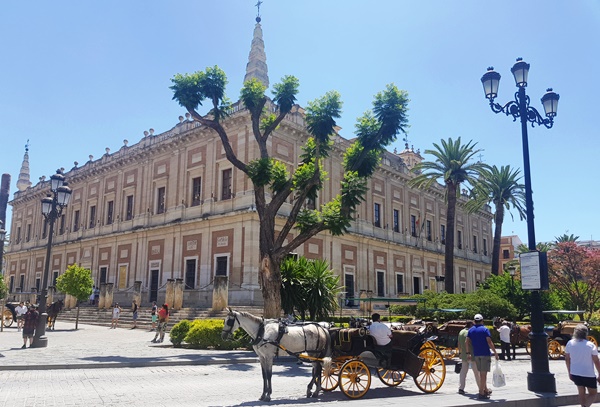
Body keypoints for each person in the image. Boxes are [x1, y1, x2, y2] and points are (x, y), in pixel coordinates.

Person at [565, 324, 600, 407]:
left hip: (575, 373)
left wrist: (569, 372)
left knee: (581, 392)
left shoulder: (570, 343)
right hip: (588, 374)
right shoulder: (590, 345)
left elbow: (567, 359)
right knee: (593, 393)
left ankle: (583, 405)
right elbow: (596, 361)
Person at [466, 313, 499, 400]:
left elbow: (467, 341)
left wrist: (468, 353)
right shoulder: (485, 329)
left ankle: (485, 389)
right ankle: (481, 392)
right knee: (483, 374)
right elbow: (489, 341)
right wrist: (495, 352)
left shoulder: (471, 330)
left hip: (476, 354)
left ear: (474, 321)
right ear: (482, 321)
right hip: (485, 354)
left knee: (480, 373)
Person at [457, 320, 480, 394]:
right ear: (470, 325)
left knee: (463, 372)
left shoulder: (461, 332)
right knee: (477, 373)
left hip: (464, 355)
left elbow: (459, 344)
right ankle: (481, 388)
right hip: (472, 355)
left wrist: (460, 352)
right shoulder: (471, 332)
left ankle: (461, 388)